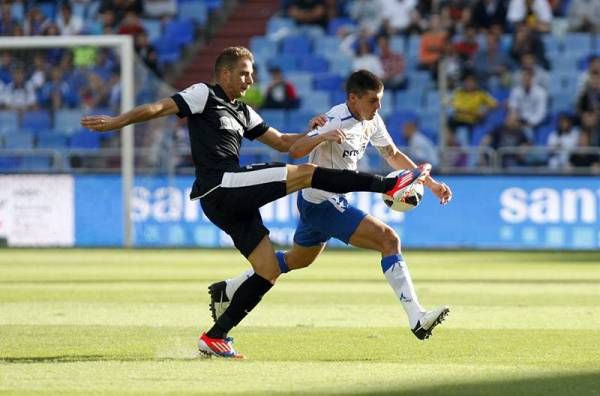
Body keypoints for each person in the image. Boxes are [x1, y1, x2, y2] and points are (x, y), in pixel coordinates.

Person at [81, 47, 431, 359]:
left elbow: (282, 143)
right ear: (225, 73)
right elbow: (160, 106)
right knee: (307, 172)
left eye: (252, 72)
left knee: (269, 270)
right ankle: (388, 184)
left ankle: (216, 336)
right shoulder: (204, 94)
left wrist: (316, 134)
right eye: (245, 73)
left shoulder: (244, 112)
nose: (251, 79)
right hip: (219, 184)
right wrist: (118, 121)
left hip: (231, 201)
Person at [207, 70, 453, 344]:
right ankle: (417, 317)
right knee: (389, 240)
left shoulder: (371, 120)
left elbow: (392, 155)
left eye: (380, 101)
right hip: (323, 202)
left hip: (319, 201)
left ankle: (227, 289)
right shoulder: (334, 119)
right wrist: (321, 137)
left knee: (296, 260)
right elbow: (297, 150)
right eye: (373, 101)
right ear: (353, 98)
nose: (378, 107)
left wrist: (430, 184)